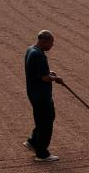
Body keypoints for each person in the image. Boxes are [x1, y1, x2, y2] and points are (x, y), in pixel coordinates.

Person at [23, 30, 63, 161]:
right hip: (41, 96)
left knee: (44, 119)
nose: (52, 45)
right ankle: (42, 154)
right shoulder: (39, 56)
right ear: (44, 41)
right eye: (51, 42)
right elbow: (44, 78)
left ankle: (33, 142)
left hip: (34, 94)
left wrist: (49, 73)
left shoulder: (31, 50)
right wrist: (55, 78)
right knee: (46, 122)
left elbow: (37, 72)